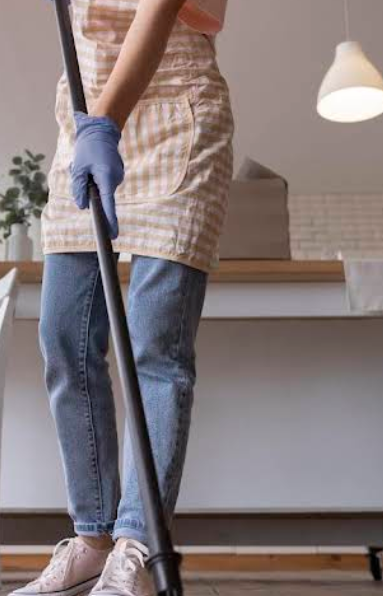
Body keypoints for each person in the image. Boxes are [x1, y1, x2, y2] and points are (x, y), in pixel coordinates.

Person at [13, 0, 233, 594]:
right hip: (82, 128)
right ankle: (92, 539)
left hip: (177, 117)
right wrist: (92, 128)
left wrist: (104, 125)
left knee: (155, 349)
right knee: (64, 341)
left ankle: (137, 542)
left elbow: (161, 10)